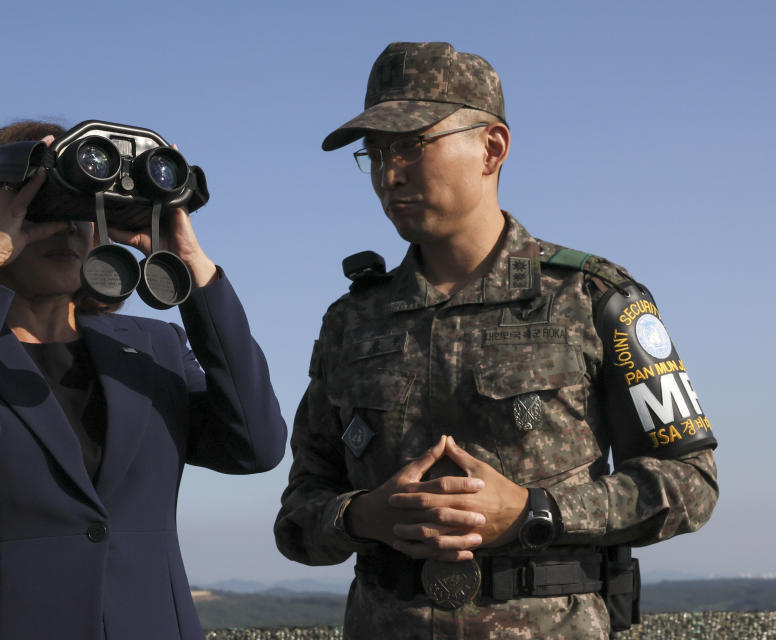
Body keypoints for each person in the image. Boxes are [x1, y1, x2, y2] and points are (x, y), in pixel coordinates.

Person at [274, 42, 718, 639]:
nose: (388, 173)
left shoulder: (596, 297)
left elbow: (691, 481)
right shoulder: (352, 321)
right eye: (375, 152)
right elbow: (298, 511)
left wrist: (536, 512)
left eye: (410, 144)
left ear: (492, 148)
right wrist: (360, 516)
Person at [0, 120, 287, 640]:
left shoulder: (154, 347)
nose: (68, 229)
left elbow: (255, 448)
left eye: (82, 211)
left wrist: (192, 266)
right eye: (45, 209)